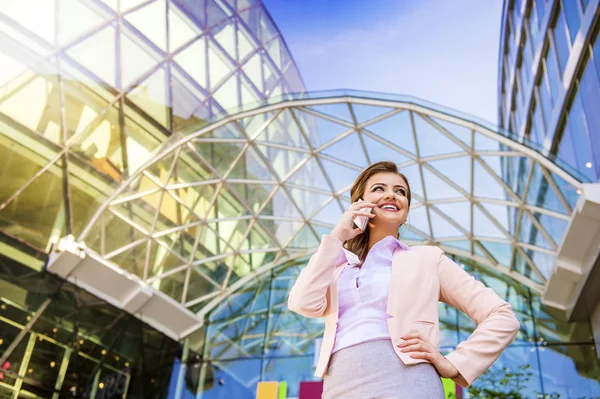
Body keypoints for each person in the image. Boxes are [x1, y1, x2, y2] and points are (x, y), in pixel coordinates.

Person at [288, 161, 520, 399]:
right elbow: (302, 303)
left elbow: (501, 316)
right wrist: (338, 236)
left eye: (401, 192)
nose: (392, 194)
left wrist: (455, 364)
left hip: (407, 382)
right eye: (379, 188)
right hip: (339, 385)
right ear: (359, 204)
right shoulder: (337, 266)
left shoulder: (427, 259)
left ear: (406, 211)